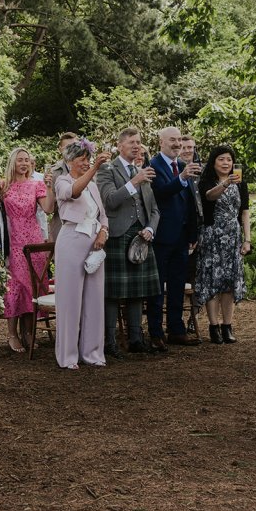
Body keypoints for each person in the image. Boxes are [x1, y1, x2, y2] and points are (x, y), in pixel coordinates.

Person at [96, 127, 161, 358]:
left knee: (137, 292)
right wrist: (134, 181)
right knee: (112, 294)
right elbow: (109, 201)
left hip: (141, 236)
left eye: (139, 142)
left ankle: (135, 339)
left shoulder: (141, 170)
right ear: (120, 145)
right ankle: (110, 343)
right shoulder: (107, 169)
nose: (137, 146)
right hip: (117, 235)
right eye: (132, 142)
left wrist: (151, 228)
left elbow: (153, 208)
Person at [53, 138, 110, 369]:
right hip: (71, 241)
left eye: (88, 159)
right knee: (70, 300)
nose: (86, 163)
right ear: (70, 162)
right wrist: (96, 167)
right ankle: (67, 356)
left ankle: (93, 353)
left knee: (94, 300)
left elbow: (102, 215)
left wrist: (103, 232)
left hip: (94, 243)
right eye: (82, 160)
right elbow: (74, 193)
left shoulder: (94, 186)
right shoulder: (62, 181)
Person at [149, 127, 203, 349]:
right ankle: (155, 332)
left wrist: (192, 233)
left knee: (177, 285)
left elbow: (189, 202)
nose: (177, 143)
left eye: (179, 139)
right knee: (157, 287)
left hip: (181, 237)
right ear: (161, 142)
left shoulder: (182, 166)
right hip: (161, 236)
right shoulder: (153, 166)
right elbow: (159, 193)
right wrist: (181, 177)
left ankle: (176, 330)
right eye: (172, 139)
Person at [194, 145, 251, 344]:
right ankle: (213, 326)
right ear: (214, 162)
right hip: (212, 236)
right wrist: (226, 183)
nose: (226, 163)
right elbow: (209, 196)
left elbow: (244, 211)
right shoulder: (206, 181)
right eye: (221, 159)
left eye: (229, 159)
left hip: (233, 236)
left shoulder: (241, 183)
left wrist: (247, 239)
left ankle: (228, 326)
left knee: (229, 282)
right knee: (212, 282)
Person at [1, 147, 56, 352]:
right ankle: (12, 334)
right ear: (13, 163)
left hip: (33, 241)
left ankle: (29, 331)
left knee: (33, 287)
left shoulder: (37, 184)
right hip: (13, 242)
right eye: (20, 160)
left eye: (27, 160)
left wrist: (49, 187)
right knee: (15, 287)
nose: (24, 163)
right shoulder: (3, 185)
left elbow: (49, 208)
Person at [46, 132, 78, 242]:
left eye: (74, 146)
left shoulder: (89, 169)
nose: (71, 150)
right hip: (62, 228)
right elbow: (49, 209)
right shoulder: (52, 173)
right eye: (67, 147)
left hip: (86, 228)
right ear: (60, 149)